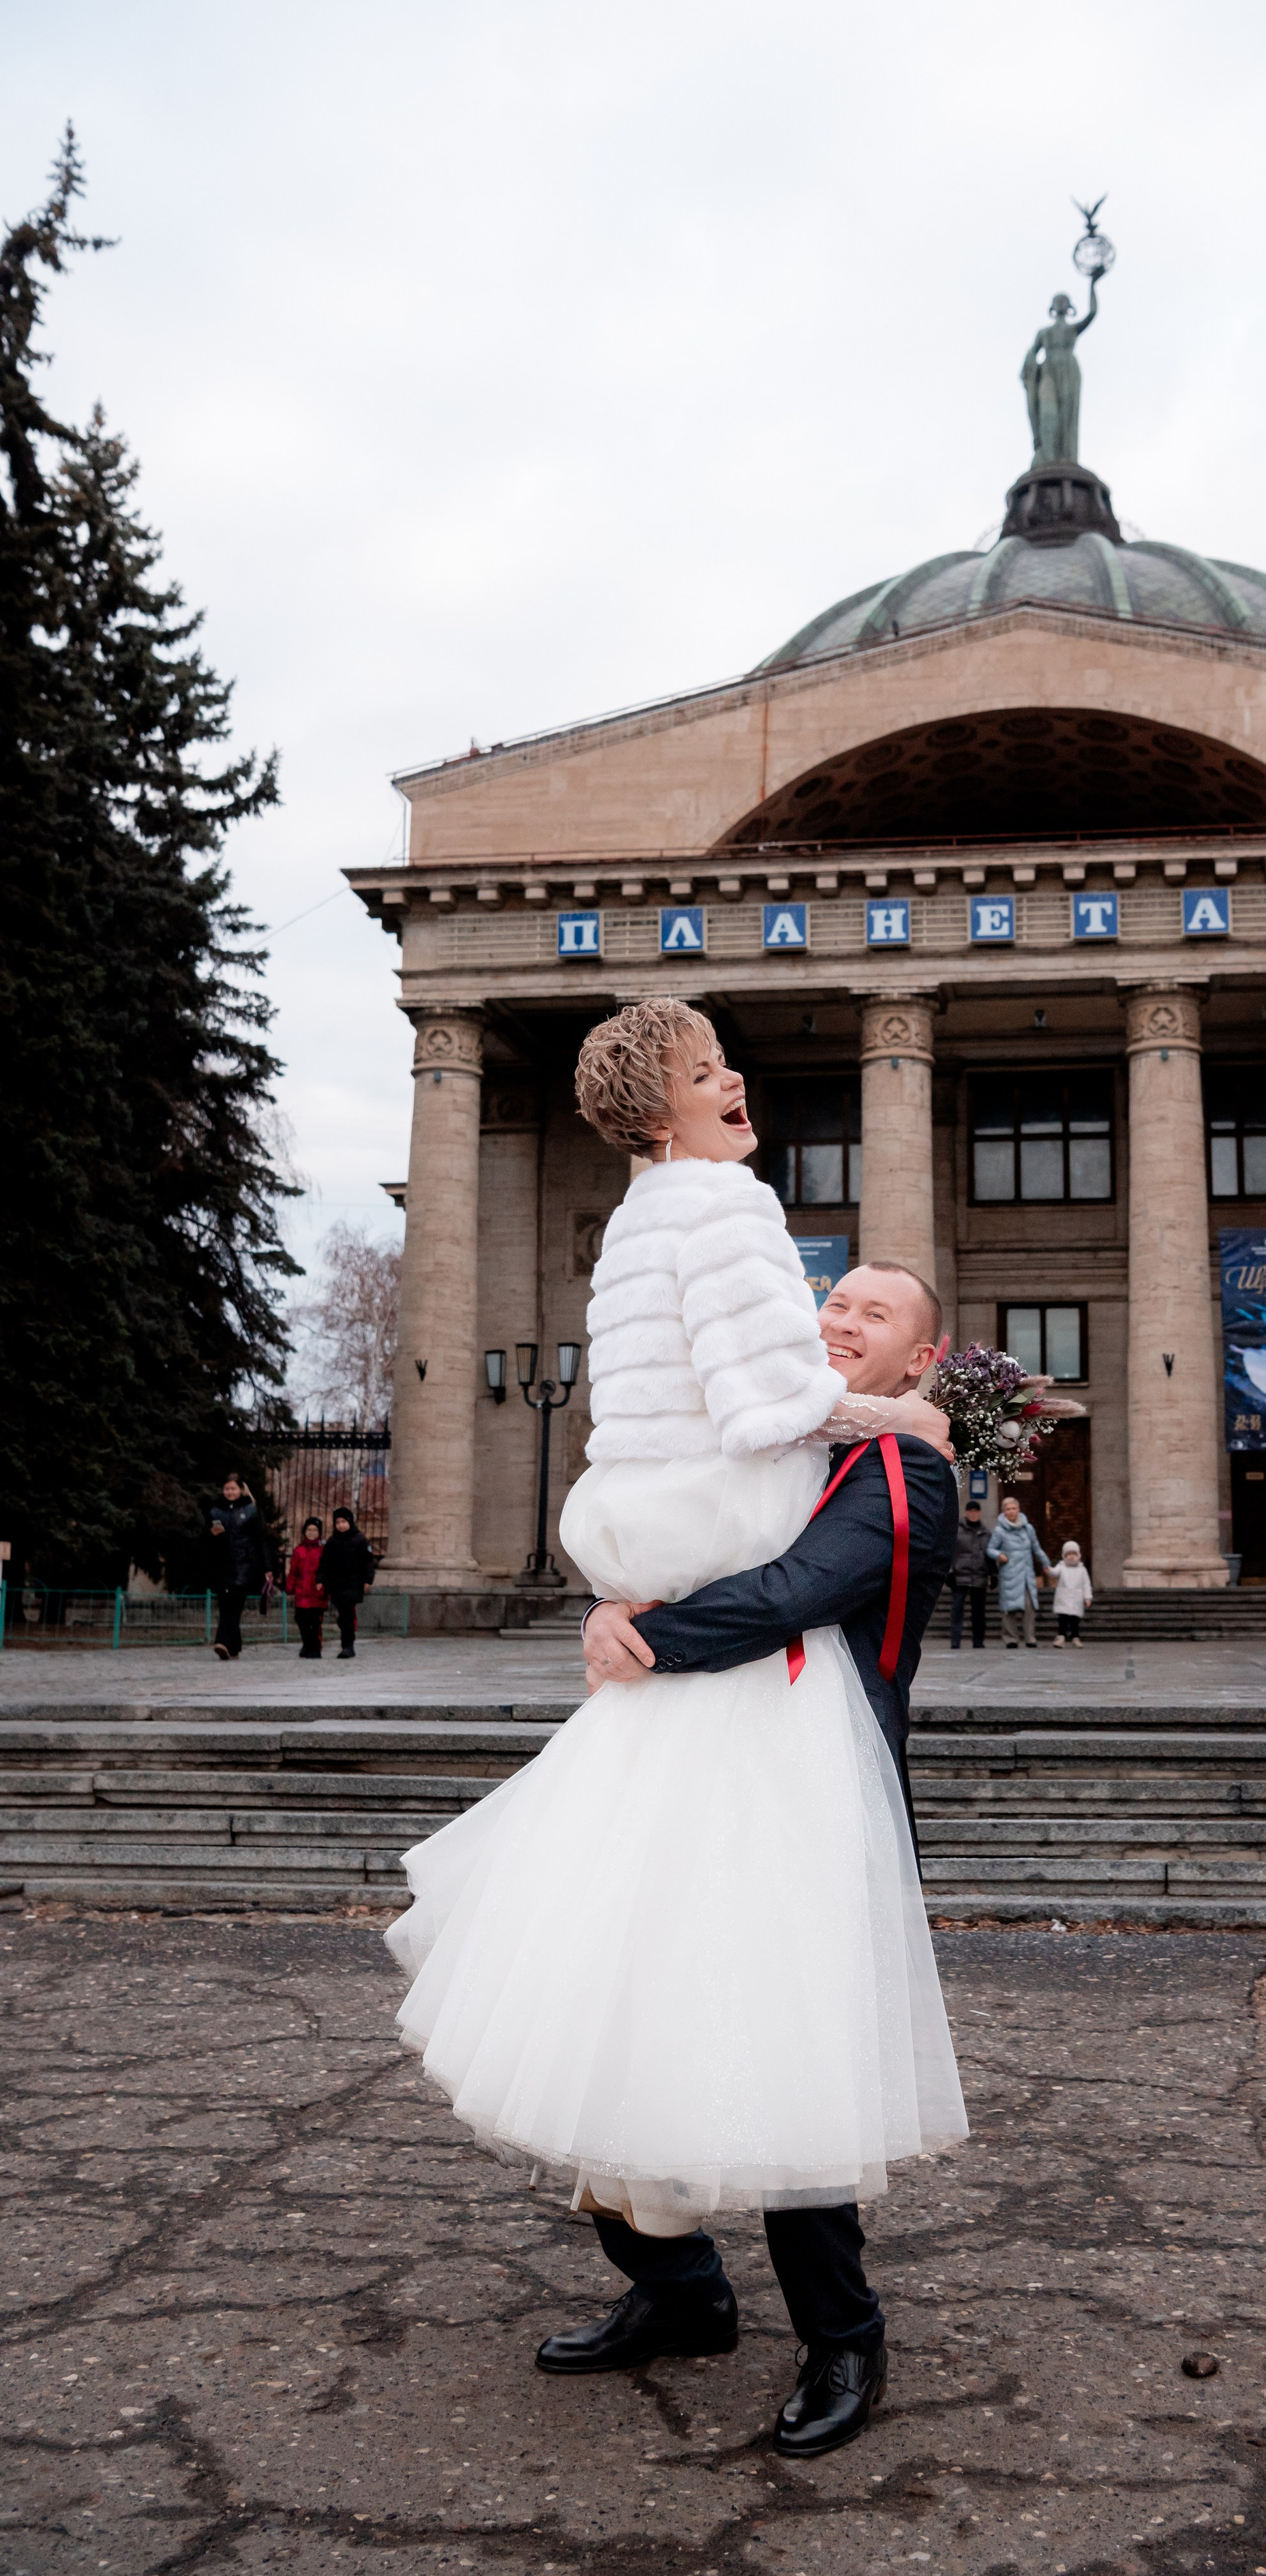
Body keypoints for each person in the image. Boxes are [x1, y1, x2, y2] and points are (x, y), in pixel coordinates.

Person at [387, 999, 967, 2463]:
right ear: (658, 1112)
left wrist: (633, 1625)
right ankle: (676, 2288)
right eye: (832, 1306)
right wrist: (633, 1619)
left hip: (773, 1749)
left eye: (869, 1320)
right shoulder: (727, 1238)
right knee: (603, 1990)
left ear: (922, 1359)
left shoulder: (907, 1479)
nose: (836, 1323)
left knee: (774, 2032)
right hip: (683, 1709)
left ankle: (842, 2335)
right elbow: (758, 1407)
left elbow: (793, 1593)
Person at [206, 1473, 270, 1661]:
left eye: (233, 1488)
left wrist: (268, 1567)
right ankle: (234, 1647)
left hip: (244, 1565)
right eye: (227, 1488)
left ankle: (222, 1642)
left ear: (241, 1489)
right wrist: (213, 1535)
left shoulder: (250, 1510)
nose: (230, 1492)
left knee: (234, 1606)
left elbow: (261, 1540)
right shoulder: (215, 1511)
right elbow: (206, 1540)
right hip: (222, 1566)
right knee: (225, 1605)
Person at [986, 1493, 1050, 1648]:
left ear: (1019, 1510)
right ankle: (1011, 1638)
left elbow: (1036, 1548)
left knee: (1029, 1607)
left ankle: (1030, 1638)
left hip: (1026, 1575)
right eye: (1008, 1509)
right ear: (1004, 1511)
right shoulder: (1000, 1531)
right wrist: (1000, 1555)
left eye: (1014, 1508)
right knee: (1009, 1610)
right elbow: (990, 1549)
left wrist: (1046, 1563)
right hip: (1009, 1574)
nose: (1011, 1511)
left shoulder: (1028, 1529)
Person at [320, 1506, 376, 1660]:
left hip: (354, 1583)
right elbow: (325, 1563)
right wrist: (322, 1580)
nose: (341, 1525)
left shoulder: (360, 1539)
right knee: (343, 1616)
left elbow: (368, 1562)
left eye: (344, 1522)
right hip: (337, 1584)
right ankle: (347, 1641)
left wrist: (367, 1580)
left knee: (348, 1615)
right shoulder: (332, 1542)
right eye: (338, 1522)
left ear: (350, 1522)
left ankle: (348, 1646)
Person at [948, 1497, 992, 1650]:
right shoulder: (957, 1530)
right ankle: (955, 1640)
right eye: (971, 1511)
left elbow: (989, 1555)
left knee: (979, 1612)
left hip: (979, 1576)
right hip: (960, 1576)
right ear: (966, 1513)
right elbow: (949, 1551)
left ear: (979, 1513)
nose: (973, 1514)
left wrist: (992, 1575)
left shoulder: (986, 1533)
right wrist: (950, 1572)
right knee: (957, 1610)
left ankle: (978, 1641)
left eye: (976, 1511)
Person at [284, 1518, 327, 1659]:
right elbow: (293, 1573)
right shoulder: (299, 1551)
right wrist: (290, 1589)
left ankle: (315, 1647)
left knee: (315, 1622)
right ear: (304, 1532)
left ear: (319, 1532)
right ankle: (307, 1644)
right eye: (309, 1530)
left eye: (315, 1530)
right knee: (301, 1619)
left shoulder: (323, 1551)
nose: (312, 1533)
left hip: (317, 1592)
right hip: (301, 1592)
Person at [1051, 1540, 1093, 1649]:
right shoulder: (1061, 1566)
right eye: (1069, 1554)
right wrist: (1048, 1570)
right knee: (1063, 1619)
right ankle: (1061, 1637)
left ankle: (1075, 1637)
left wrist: (1087, 1597)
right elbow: (1054, 1573)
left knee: (1075, 1620)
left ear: (1078, 1555)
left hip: (1076, 1599)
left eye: (1074, 1554)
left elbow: (1086, 1584)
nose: (1071, 1557)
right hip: (1064, 1598)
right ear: (1064, 1555)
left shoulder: (1082, 1570)